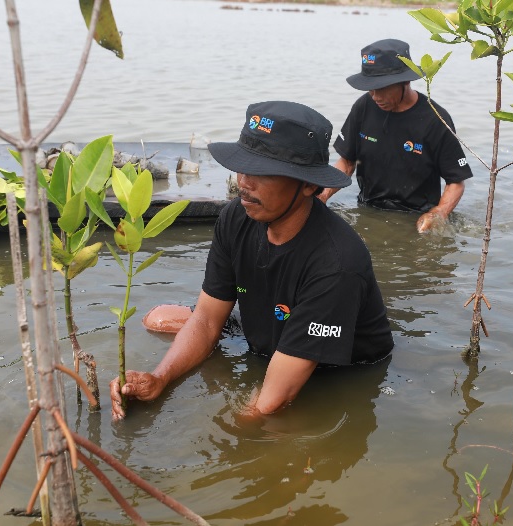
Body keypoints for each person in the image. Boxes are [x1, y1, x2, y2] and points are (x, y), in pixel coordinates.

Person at [110, 100, 394, 420]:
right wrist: (159, 379)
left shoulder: (337, 264)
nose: (244, 182)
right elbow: (205, 320)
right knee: (156, 319)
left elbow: (269, 402)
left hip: (329, 366)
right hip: (269, 328)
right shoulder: (236, 217)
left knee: (261, 421)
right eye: (242, 166)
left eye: (262, 172)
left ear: (309, 184)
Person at [319, 38, 473, 233]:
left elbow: (456, 182)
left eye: (382, 88)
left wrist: (439, 213)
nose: (375, 96)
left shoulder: (436, 119)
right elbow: (347, 163)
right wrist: (323, 195)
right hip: (368, 209)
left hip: (415, 215)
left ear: (405, 81)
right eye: (370, 88)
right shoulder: (364, 106)